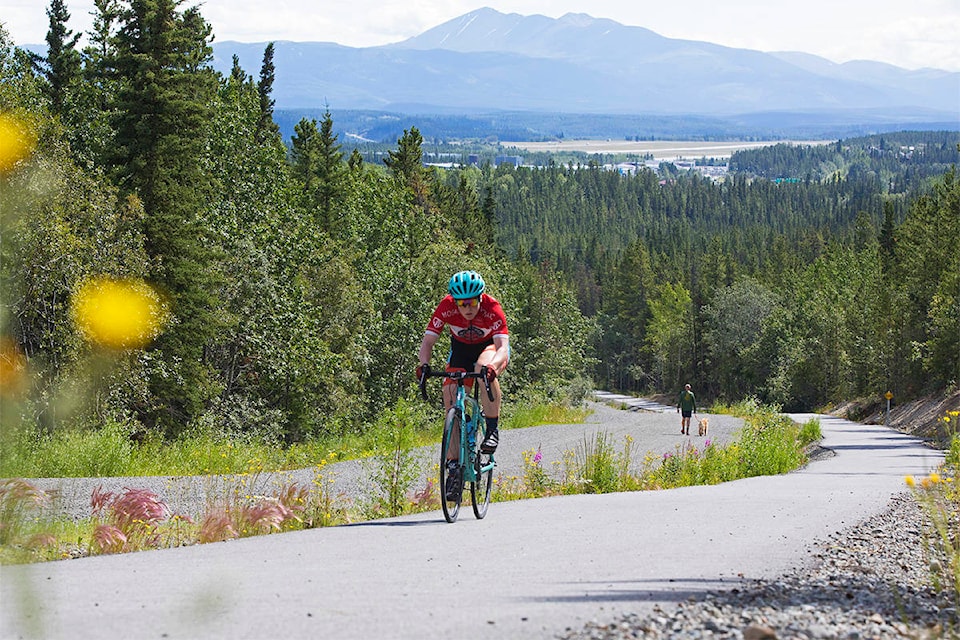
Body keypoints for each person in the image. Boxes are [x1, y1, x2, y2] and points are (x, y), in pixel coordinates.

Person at [416, 270, 510, 500]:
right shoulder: (445, 307)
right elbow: (428, 341)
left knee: (481, 370)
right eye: (462, 303)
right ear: (454, 301)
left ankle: (492, 429)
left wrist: (493, 367)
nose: (468, 308)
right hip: (460, 350)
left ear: (481, 297)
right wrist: (424, 365)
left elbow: (503, 348)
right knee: (449, 391)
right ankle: (454, 469)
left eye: (472, 302)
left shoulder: (492, 308)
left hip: (488, 348)